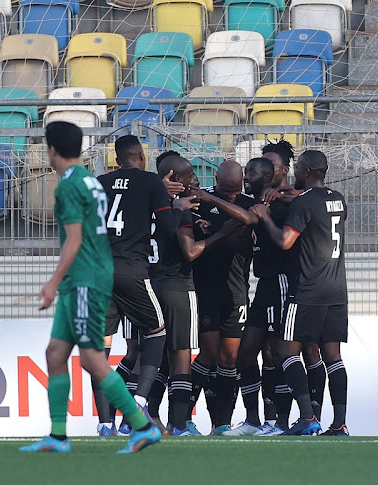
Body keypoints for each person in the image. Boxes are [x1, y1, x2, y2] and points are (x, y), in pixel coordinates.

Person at [20, 121, 161, 454]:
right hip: (86, 278)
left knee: (92, 359)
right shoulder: (88, 181)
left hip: (85, 280)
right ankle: (57, 436)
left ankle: (141, 426)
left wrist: (52, 282)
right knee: (55, 354)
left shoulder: (71, 185)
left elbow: (74, 239)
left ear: (51, 149)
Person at [94, 136, 191, 435]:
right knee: (157, 332)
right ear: (141, 155)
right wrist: (176, 206)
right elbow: (167, 227)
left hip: (99, 273)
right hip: (133, 271)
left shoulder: (99, 182)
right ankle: (138, 403)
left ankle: (105, 423)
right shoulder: (151, 183)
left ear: (117, 157)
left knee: (100, 351)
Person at [252, 150, 349, 436]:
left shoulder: (304, 202)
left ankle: (307, 417)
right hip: (337, 289)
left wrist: (265, 216)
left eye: (297, 169)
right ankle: (340, 423)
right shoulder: (337, 198)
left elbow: (285, 241)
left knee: (286, 349)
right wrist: (284, 196)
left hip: (307, 288)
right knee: (333, 356)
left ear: (306, 172)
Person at [152, 154, 239, 436]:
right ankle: (179, 423)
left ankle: (142, 416)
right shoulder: (180, 207)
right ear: (174, 178)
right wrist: (219, 234)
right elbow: (190, 252)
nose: (195, 181)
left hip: (146, 285)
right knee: (181, 356)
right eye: (189, 176)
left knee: (148, 356)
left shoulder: (145, 201)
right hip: (177, 286)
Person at [187, 160, 258, 435]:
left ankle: (223, 424)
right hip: (206, 289)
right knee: (207, 355)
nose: (231, 196)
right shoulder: (199, 199)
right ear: (215, 178)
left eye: (234, 192)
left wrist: (218, 228)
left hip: (237, 290)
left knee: (229, 358)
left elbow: (245, 235)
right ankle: (182, 417)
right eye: (226, 192)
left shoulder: (249, 204)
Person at [222, 157, 287, 436]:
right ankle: (252, 419)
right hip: (261, 286)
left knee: (273, 354)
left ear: (267, 175)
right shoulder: (251, 202)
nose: (245, 176)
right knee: (246, 353)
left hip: (280, 283)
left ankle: (277, 421)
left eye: (250, 172)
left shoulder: (282, 203)